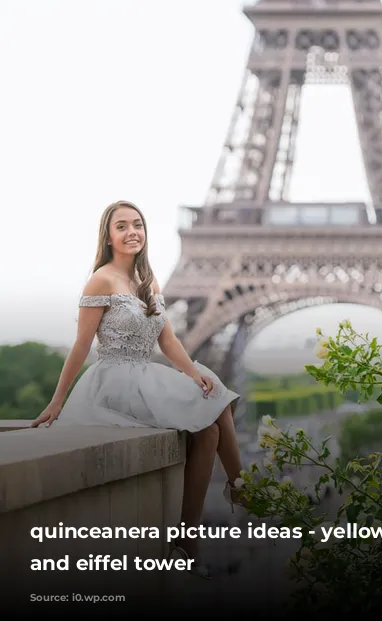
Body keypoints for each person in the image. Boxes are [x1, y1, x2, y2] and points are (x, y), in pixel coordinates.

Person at [32, 200, 247, 579]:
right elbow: (82, 345)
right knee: (215, 404)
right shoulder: (101, 279)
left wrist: (192, 374)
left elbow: (169, 342)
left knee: (211, 410)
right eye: (122, 226)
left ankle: (188, 538)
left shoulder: (148, 283)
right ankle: (243, 487)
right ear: (109, 236)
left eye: (138, 224)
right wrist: (57, 400)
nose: (132, 231)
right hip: (115, 380)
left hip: (144, 376)